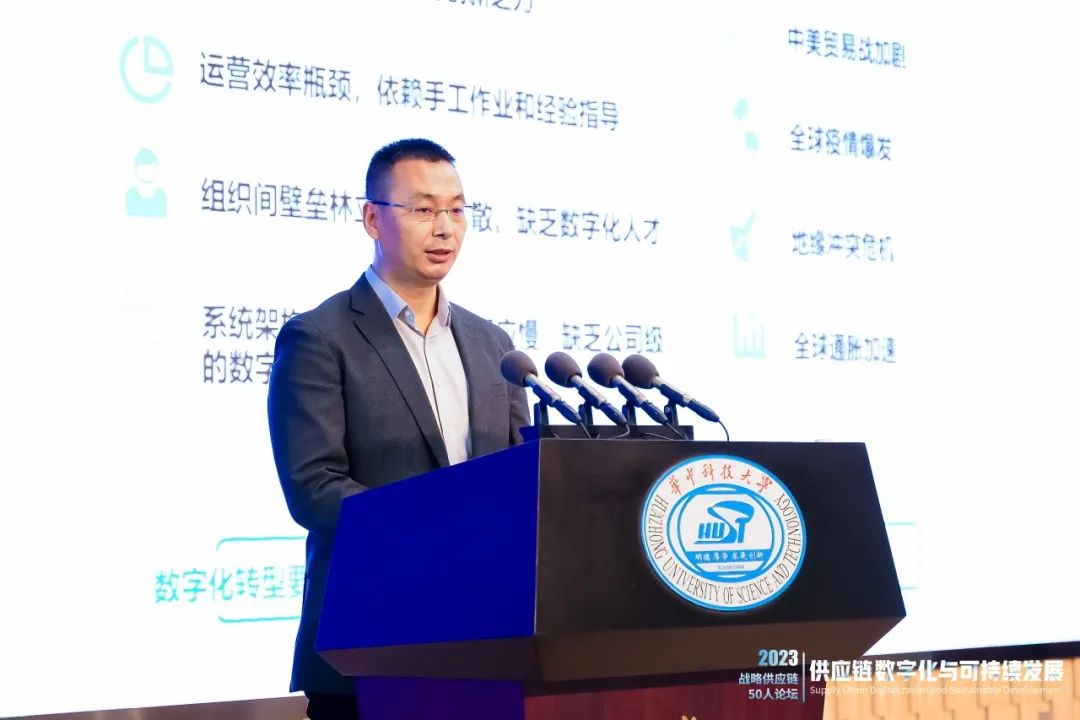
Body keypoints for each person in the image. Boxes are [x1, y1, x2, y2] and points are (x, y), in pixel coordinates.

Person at [267, 138, 530, 719]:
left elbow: (519, 475)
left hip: (490, 642)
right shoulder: (320, 337)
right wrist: (443, 535)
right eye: (423, 209)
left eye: (456, 209)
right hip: (371, 644)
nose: (445, 227)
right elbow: (314, 488)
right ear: (372, 219)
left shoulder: (494, 344)